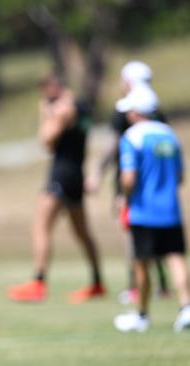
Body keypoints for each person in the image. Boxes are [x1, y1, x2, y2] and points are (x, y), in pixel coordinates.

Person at [7, 75, 105, 304]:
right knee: (82, 232)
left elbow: (46, 140)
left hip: (61, 174)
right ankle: (97, 282)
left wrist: (45, 113)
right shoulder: (82, 107)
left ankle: (38, 282)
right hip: (76, 174)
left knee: (40, 225)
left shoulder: (63, 109)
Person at [86, 61, 169, 304]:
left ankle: (135, 286)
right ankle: (161, 285)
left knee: (134, 236)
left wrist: (98, 173)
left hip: (131, 182)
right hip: (159, 183)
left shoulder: (127, 112)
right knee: (158, 233)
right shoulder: (157, 110)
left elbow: (113, 147)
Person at [113, 85, 190, 332]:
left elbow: (128, 178)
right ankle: (186, 307)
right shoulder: (169, 134)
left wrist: (124, 198)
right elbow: (180, 176)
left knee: (141, 263)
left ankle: (142, 315)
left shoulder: (132, 137)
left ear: (137, 112)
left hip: (144, 210)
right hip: (170, 210)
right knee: (176, 258)